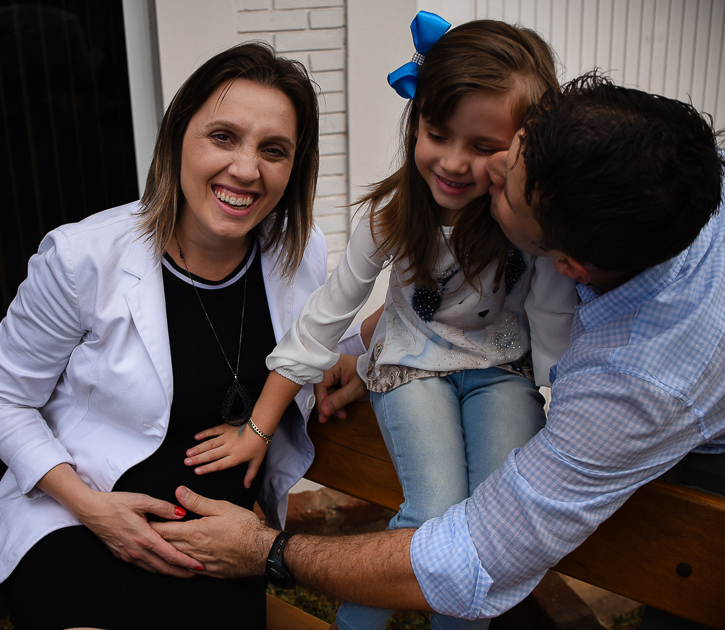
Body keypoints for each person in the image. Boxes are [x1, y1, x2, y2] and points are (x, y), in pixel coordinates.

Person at [154, 73, 725, 623]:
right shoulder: (638, 172)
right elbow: (409, 303)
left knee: (693, 578)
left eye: (500, 174)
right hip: (433, 377)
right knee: (438, 505)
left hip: (685, 437)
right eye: (512, 145)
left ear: (563, 263)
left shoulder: (629, 385)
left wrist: (267, 550)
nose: (480, 167)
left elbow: (475, 562)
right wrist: (367, 359)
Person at [182, 16, 576, 630]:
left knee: (492, 532)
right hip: (411, 366)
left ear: (527, 145)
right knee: (433, 513)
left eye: (483, 147)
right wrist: (259, 427)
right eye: (437, 134)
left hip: (502, 369)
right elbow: (325, 317)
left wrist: (569, 412)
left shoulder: (531, 225)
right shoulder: (390, 217)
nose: (453, 162)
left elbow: (552, 316)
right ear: (416, 121)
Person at [0, 42, 359, 630]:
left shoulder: (299, 254)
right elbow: (1, 400)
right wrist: (94, 510)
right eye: (223, 137)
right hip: (80, 521)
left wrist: (362, 362)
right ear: (178, 137)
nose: (246, 169)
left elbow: (326, 344)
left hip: (220, 540)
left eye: (273, 150)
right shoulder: (83, 257)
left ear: (294, 167)